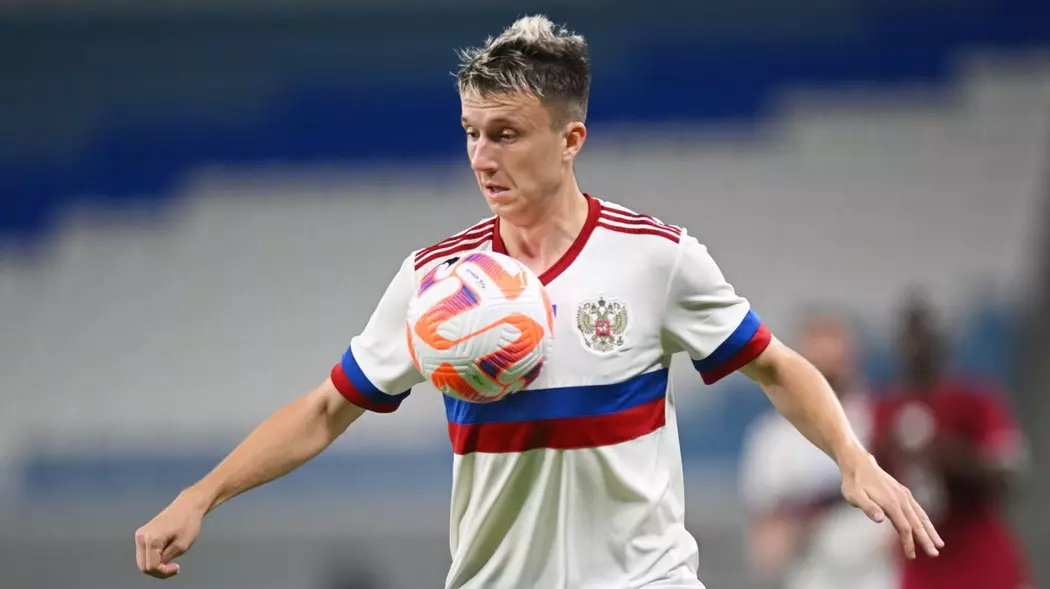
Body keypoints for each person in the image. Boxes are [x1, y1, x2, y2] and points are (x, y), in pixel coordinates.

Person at [134, 15, 942, 589]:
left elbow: (775, 364)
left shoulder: (655, 259)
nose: (482, 156)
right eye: (471, 132)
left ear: (570, 139)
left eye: (506, 133)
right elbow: (324, 409)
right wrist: (201, 494)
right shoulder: (435, 284)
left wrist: (853, 458)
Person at [872, 295, 1031, 589]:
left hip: (981, 558)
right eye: (910, 339)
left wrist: (948, 455)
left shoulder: (975, 400)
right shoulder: (883, 410)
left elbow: (1008, 471)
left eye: (924, 338)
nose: (917, 348)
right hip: (922, 564)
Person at [741, 310, 897, 589]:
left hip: (880, 579)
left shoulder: (882, 422)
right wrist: (804, 521)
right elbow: (766, 549)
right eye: (816, 367)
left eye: (834, 364)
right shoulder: (772, 440)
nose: (825, 376)